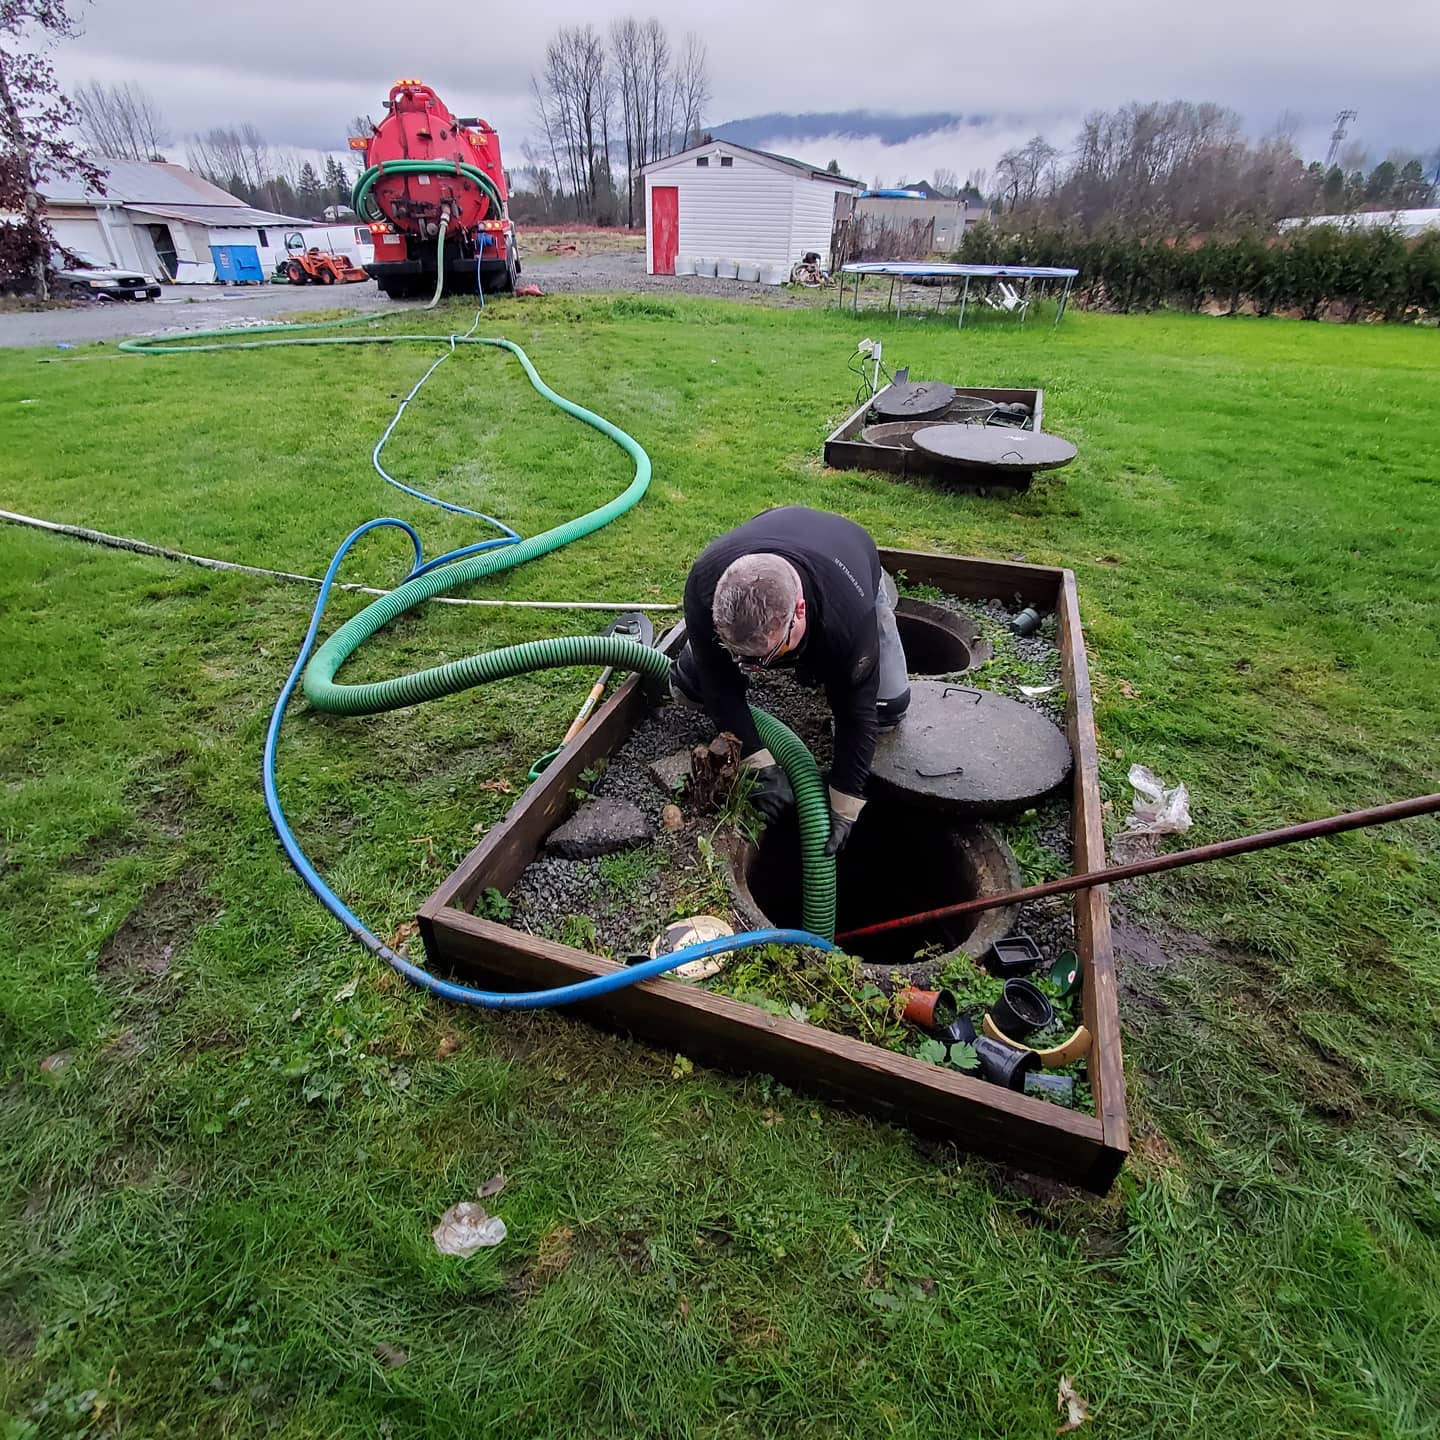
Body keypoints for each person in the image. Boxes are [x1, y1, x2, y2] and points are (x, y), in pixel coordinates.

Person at [672, 506, 909, 856]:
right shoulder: (705, 582)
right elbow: (720, 684)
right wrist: (757, 765)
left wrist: (845, 801)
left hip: (850, 557)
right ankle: (743, 648)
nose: (752, 669)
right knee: (694, 685)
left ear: (799, 611)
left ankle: (811, 654)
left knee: (887, 707)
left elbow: (856, 713)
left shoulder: (847, 620)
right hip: (774, 527)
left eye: (764, 658)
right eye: (738, 654)